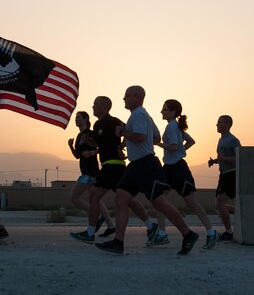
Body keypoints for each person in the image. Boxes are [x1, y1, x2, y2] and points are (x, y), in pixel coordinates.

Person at [95, 86, 200, 255]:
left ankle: (188, 234)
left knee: (160, 203)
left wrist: (124, 132)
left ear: (137, 98)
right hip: (136, 165)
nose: (124, 98)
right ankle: (118, 242)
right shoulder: (143, 116)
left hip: (145, 165)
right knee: (121, 198)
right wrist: (127, 143)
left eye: (127, 95)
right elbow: (155, 137)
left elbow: (141, 137)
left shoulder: (138, 115)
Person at [70, 96, 157, 244]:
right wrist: (90, 142)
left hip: (113, 165)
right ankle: (150, 225)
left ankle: (90, 233)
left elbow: (129, 131)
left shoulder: (113, 121)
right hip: (109, 166)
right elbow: (99, 144)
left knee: (94, 196)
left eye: (96, 104)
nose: (93, 107)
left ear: (105, 107)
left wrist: (121, 146)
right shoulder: (97, 125)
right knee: (128, 200)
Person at [154, 99, 218, 250]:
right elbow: (190, 141)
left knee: (191, 203)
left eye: (164, 109)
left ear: (173, 112)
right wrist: (182, 150)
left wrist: (157, 144)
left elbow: (174, 147)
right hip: (168, 168)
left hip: (178, 169)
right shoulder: (176, 126)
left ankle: (211, 231)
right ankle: (162, 234)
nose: (162, 111)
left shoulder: (172, 127)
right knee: (158, 198)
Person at [67, 110, 115, 235]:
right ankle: (110, 225)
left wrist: (92, 152)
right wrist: (71, 146)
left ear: (85, 119)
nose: (76, 119)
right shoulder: (79, 136)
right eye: (76, 118)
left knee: (74, 198)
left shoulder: (91, 133)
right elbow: (78, 156)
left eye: (78, 117)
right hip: (86, 171)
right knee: (96, 199)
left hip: (90, 172)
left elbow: (102, 146)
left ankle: (95, 215)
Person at [208, 115, 240, 241]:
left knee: (221, 203)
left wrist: (223, 158)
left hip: (231, 174)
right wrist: (215, 161)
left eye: (220, 123)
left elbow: (240, 157)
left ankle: (228, 232)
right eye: (217, 123)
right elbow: (222, 158)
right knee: (218, 204)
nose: (217, 125)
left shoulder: (233, 140)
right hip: (223, 174)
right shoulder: (221, 140)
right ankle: (243, 212)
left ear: (227, 125)